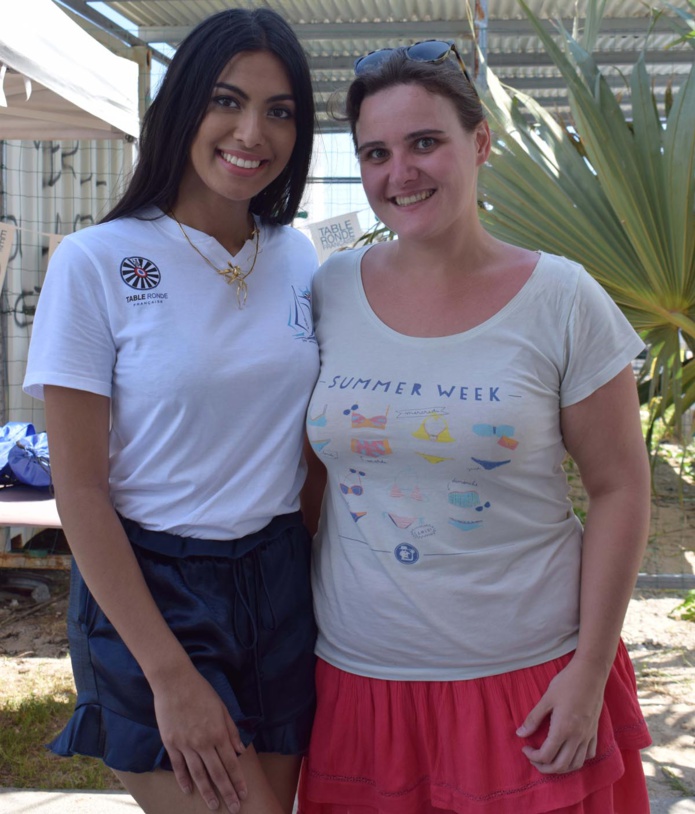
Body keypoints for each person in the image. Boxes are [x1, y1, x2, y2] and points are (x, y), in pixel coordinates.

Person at [298, 41, 652, 814]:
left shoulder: (561, 296)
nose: (401, 173)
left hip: (529, 683)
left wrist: (589, 670)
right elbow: (311, 477)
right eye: (376, 153)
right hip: (359, 686)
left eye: (425, 142)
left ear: (479, 142)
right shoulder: (326, 291)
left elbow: (620, 488)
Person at [23, 8, 319, 814]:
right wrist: (168, 674)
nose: (251, 131)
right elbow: (79, 492)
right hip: (152, 588)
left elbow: (311, 442)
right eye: (227, 100)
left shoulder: (297, 256)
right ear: (182, 106)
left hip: (278, 580)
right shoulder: (96, 262)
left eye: (279, 110)